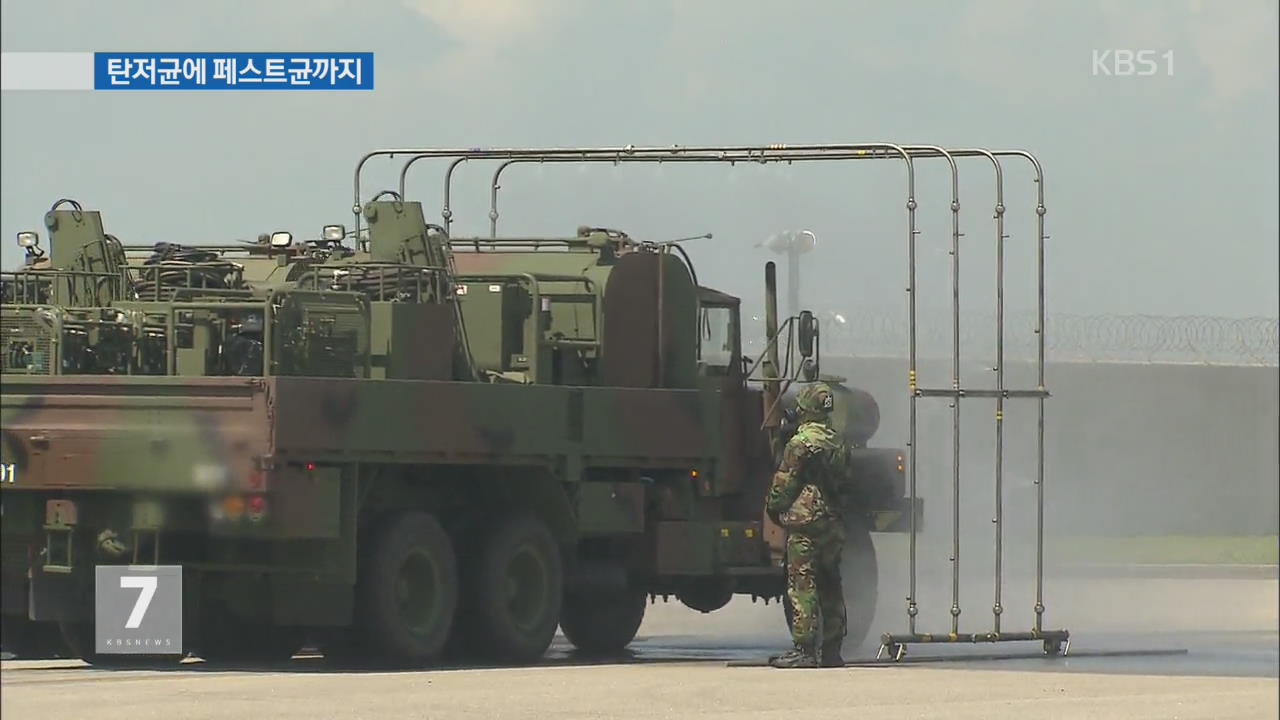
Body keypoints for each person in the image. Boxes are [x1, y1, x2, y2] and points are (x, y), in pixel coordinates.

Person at [765, 381, 850, 668]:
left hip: (805, 522)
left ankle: (804, 650)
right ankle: (832, 650)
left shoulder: (800, 444)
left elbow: (785, 485)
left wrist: (774, 509)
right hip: (833, 521)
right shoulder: (839, 441)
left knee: (803, 584)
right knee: (831, 584)